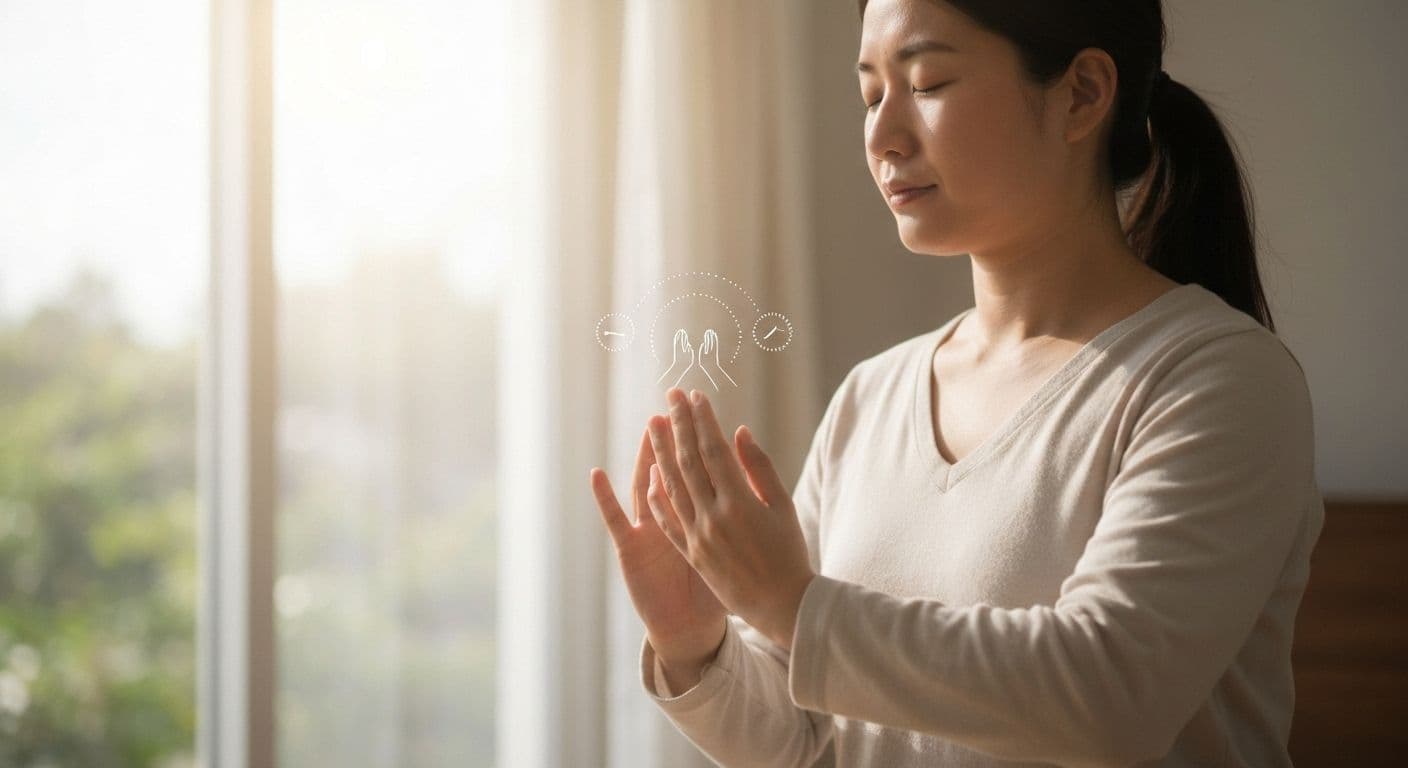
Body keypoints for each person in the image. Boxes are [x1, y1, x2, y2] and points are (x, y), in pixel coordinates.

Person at [588, 0, 1323, 765]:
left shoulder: (1217, 378)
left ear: (1081, 95)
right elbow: (810, 742)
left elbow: (1110, 696)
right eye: (871, 94)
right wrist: (696, 647)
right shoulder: (871, 398)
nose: (880, 135)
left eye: (928, 82)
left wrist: (794, 608)